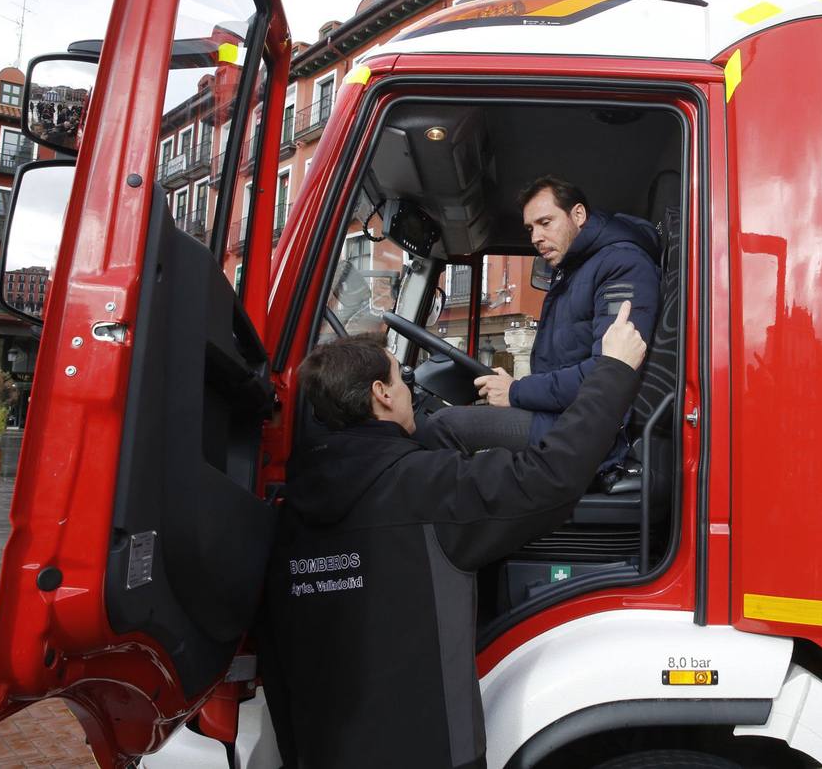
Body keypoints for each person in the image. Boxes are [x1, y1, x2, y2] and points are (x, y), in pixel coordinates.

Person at [259, 302, 648, 768]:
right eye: (403, 381)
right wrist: (614, 371)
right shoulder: (427, 488)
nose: (408, 391)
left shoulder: (288, 513)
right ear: (381, 394)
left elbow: (278, 668)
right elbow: (551, 477)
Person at [421, 176, 659, 468]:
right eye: (531, 228)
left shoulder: (622, 265)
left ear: (578, 215)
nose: (535, 237)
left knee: (442, 426)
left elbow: (608, 371)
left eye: (545, 223)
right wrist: (517, 388)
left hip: (593, 430)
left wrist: (516, 391)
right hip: (566, 415)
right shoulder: (573, 269)